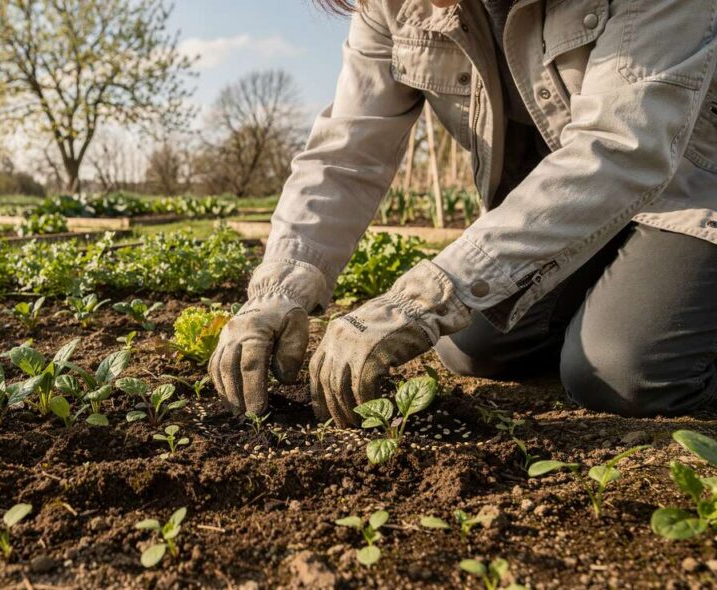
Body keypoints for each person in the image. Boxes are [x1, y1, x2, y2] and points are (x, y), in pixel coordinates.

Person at [209, 0, 717, 427]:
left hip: (691, 191)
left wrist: (434, 294)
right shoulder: (391, 5)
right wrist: (277, 290)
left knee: (626, 374)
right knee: (473, 347)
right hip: (571, 205)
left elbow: (619, 147)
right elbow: (346, 152)